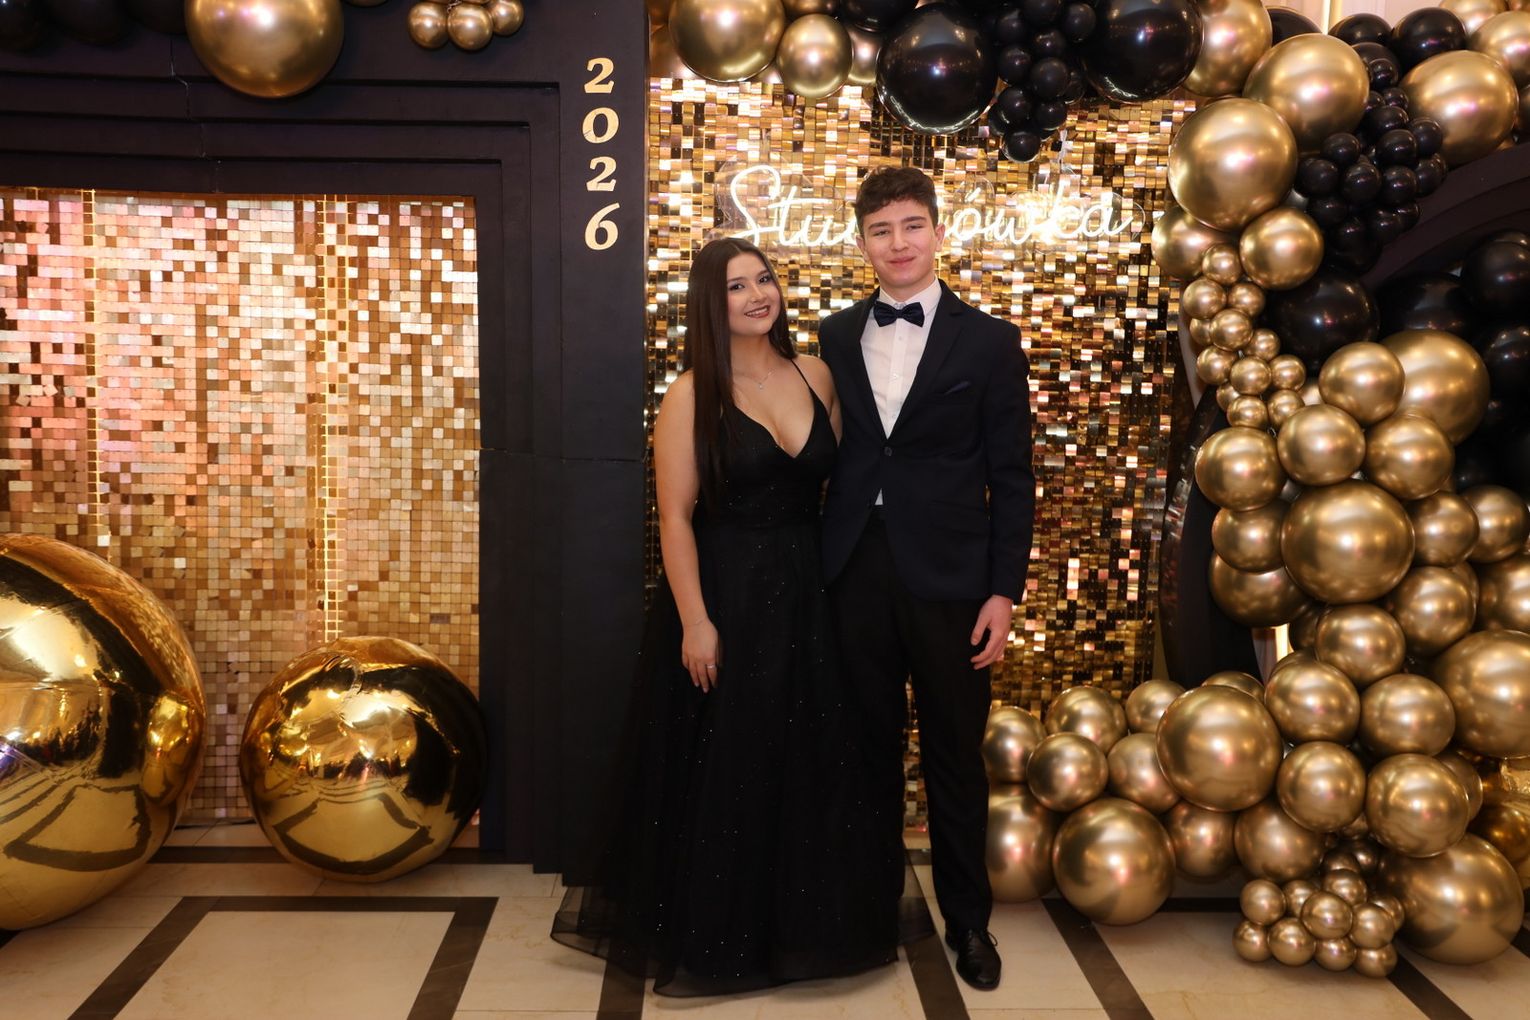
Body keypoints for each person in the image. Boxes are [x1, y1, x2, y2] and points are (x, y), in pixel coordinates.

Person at [551, 236, 930, 996]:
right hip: (729, 595)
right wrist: (696, 621)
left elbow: (847, 488)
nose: (758, 295)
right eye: (736, 286)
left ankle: (806, 928)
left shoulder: (816, 374)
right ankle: (725, 935)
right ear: (710, 302)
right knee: (732, 764)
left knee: (811, 762)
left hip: (812, 595)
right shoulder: (692, 394)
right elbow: (675, 518)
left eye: (764, 279)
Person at [818, 166, 1036, 991]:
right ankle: (868, 910)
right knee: (863, 751)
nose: (898, 243)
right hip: (855, 570)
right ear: (862, 243)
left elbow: (1012, 477)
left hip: (954, 582)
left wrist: (1003, 592)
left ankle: (969, 923)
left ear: (938, 232)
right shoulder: (835, 336)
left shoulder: (990, 341)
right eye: (881, 230)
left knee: (954, 757)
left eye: (912, 226)